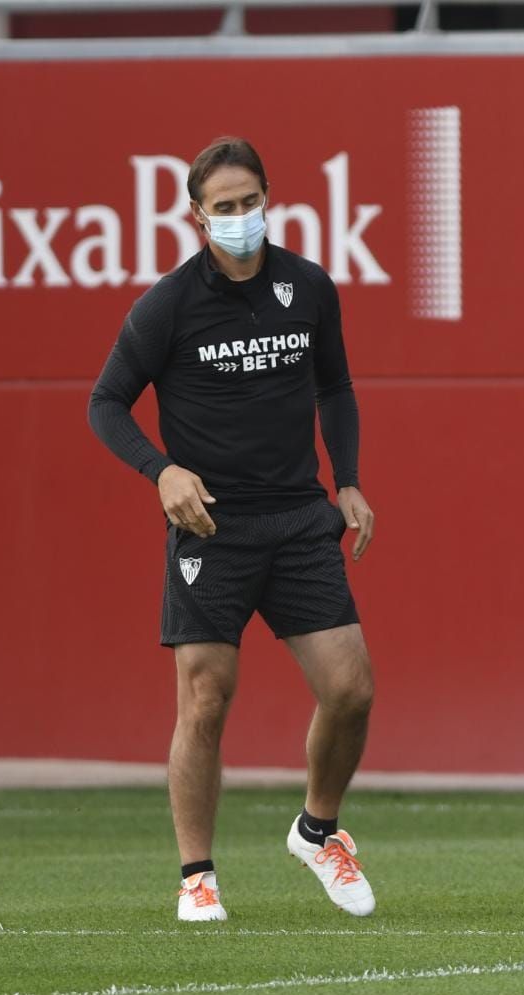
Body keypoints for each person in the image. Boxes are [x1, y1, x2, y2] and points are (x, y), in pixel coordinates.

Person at [88, 137, 379, 922]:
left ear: (268, 199)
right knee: (206, 699)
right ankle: (197, 876)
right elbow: (105, 403)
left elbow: (336, 385)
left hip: (298, 519)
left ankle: (318, 831)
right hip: (212, 527)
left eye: (251, 201)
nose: (241, 217)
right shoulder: (168, 305)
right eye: (224, 207)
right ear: (197, 217)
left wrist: (347, 479)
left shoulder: (309, 287)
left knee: (351, 690)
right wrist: (162, 473)